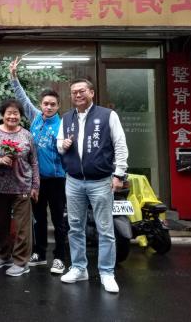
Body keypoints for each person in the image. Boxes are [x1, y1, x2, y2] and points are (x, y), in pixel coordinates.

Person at [57, 78, 128, 294]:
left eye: (81, 91)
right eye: (74, 92)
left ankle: (107, 272)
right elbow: (59, 144)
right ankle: (79, 268)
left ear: (91, 93)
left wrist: (119, 174)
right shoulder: (66, 118)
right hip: (74, 180)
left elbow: (120, 145)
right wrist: (63, 145)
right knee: (75, 226)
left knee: (105, 228)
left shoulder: (107, 115)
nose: (77, 95)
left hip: (100, 181)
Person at [9, 57, 67, 274]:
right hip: (36, 180)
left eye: (53, 104)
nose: (48, 107)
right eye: (45, 104)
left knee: (59, 220)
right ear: (41, 104)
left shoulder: (63, 125)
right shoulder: (35, 118)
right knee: (39, 218)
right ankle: (40, 253)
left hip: (57, 180)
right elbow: (22, 98)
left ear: (58, 106)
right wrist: (13, 77)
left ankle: (60, 257)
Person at [0, 99, 39, 277]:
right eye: (8, 113)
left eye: (16, 113)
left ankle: (21, 261)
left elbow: (34, 161)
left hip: (22, 186)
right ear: (3, 114)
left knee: (22, 227)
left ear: (20, 116)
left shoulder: (27, 135)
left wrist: (35, 185)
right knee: (0, 224)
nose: (12, 116)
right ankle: (3, 255)